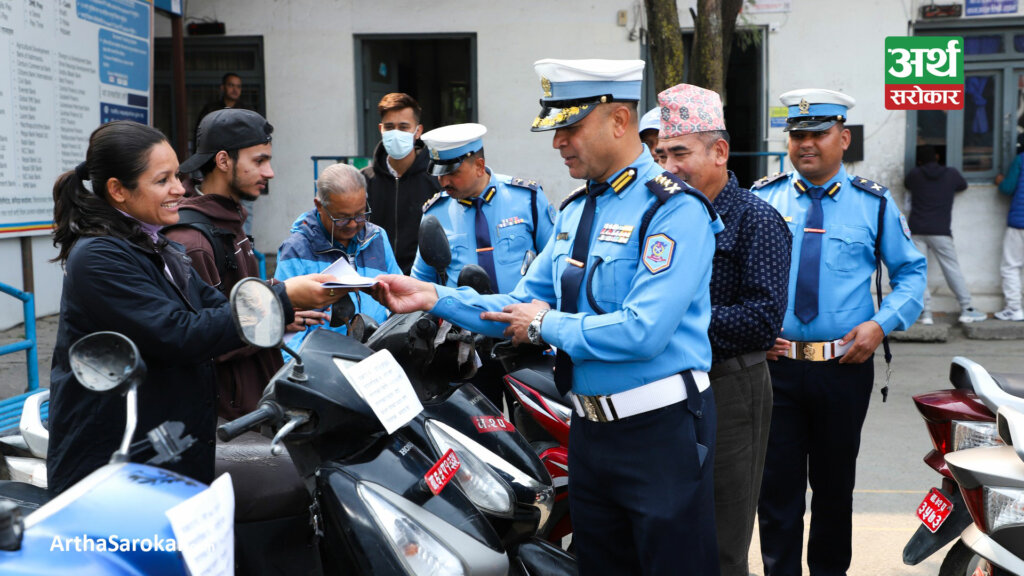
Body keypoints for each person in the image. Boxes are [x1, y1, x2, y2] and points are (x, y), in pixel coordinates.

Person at [373, 58, 724, 575]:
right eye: (556, 129)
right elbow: (517, 302)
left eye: (571, 127)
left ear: (619, 122)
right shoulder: (578, 210)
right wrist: (428, 296)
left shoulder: (673, 210)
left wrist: (545, 325)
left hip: (660, 431)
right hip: (588, 429)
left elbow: (642, 331)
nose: (559, 142)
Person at [47, 121, 343, 494]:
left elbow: (219, 311)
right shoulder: (99, 256)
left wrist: (285, 302)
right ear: (118, 190)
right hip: (117, 464)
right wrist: (283, 298)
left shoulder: (159, 246)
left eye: (177, 175)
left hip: (169, 450)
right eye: (162, 180)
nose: (179, 189)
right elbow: (179, 333)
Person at [752, 89, 926, 576]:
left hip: (844, 369)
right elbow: (731, 272)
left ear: (843, 138)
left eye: (818, 133)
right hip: (776, 368)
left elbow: (911, 273)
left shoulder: (873, 203)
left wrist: (880, 323)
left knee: (834, 490)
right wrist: (750, 331)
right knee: (777, 492)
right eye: (797, 134)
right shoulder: (761, 199)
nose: (805, 144)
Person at [655, 82, 791, 576]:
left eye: (680, 153)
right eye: (662, 154)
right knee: (671, 530)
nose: (669, 167)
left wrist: (668, 322)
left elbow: (761, 320)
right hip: (663, 388)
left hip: (730, 388)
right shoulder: (662, 215)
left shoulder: (757, 219)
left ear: (719, 152)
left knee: (722, 539)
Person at [163, 108, 282, 420]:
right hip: (226, 421)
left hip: (254, 403)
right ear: (223, 161)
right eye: (259, 161)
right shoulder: (193, 242)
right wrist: (276, 313)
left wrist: (280, 308)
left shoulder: (230, 219)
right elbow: (202, 339)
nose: (269, 172)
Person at [413, 122, 554, 293]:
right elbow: (421, 281)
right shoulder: (435, 213)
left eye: (452, 173)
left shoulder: (527, 198)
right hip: (463, 317)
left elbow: (554, 261)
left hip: (522, 314)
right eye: (439, 174)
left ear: (479, 166)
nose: (444, 182)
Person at [275, 162, 401, 350]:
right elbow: (288, 333)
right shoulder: (295, 251)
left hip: (378, 356)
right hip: (323, 366)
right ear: (319, 205)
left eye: (360, 215)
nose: (352, 225)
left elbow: (396, 296)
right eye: (341, 218)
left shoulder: (377, 237)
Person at [904, 145, 985, 324]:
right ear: (938, 157)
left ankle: (926, 314)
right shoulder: (951, 174)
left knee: (919, 272)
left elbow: (907, 184)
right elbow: (962, 185)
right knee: (951, 269)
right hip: (940, 230)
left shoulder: (915, 174)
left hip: (916, 229)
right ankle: (966, 308)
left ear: (918, 161)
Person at [362, 93, 441, 274]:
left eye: (404, 127)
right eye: (389, 127)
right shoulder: (364, 181)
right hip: (374, 282)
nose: (396, 133)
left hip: (422, 283)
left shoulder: (437, 180)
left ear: (418, 131)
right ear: (381, 129)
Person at [994, 134, 1024, 321]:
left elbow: (1007, 188)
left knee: (1011, 266)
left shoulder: (1020, 160)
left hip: (1019, 223)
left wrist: (999, 181)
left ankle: (1014, 308)